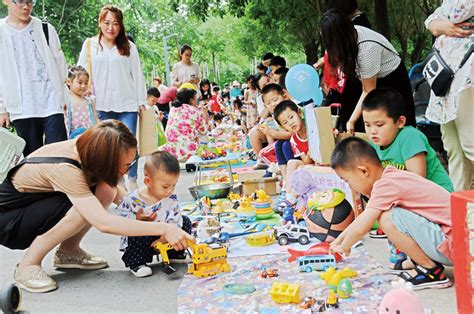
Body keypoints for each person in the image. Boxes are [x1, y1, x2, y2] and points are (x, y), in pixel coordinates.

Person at [0, 120, 193, 293]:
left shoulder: (91, 151)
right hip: (9, 220)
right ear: (106, 160)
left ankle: (69, 252)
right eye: (125, 165)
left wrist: (148, 212)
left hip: (37, 205)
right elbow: (104, 223)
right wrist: (164, 227)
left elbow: (121, 197)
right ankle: (28, 265)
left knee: (106, 189)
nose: (127, 171)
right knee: (87, 205)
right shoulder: (66, 169)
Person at [330, 137, 452, 289]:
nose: (350, 186)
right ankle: (422, 261)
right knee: (390, 214)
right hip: (455, 241)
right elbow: (360, 220)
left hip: (453, 245)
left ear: (363, 171)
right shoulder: (391, 176)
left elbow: (362, 227)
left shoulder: (385, 185)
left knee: (387, 218)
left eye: (347, 180)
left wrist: (344, 246)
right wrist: (337, 241)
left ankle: (430, 270)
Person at [77, 5, 147, 191]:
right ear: (100, 23)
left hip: (127, 103)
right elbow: (80, 71)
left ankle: (132, 179)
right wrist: (78, 95)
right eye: (107, 23)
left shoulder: (129, 47)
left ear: (120, 26)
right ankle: (117, 183)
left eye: (115, 23)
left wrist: (141, 101)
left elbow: (137, 74)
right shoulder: (90, 45)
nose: (111, 28)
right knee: (109, 147)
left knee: (129, 144)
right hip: (101, 103)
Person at [320, 9, 416, 134]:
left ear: (338, 36)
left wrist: (351, 121)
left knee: (396, 126)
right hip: (370, 79)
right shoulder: (348, 35)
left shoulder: (367, 48)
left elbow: (368, 90)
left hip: (391, 81)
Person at [0, 0, 68, 156]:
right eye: (20, 1)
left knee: (59, 157)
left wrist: (63, 98)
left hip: (51, 103)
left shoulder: (45, 28)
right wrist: (2, 109)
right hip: (22, 108)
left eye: (30, 1)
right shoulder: (1, 31)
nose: (26, 6)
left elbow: (60, 66)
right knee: (32, 160)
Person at [424, 0, 474, 191]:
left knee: (471, 144)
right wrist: (439, 25)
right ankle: (460, 210)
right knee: (454, 149)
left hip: (467, 75)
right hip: (448, 79)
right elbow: (432, 21)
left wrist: (440, 23)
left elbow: (456, 13)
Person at [116, 151, 191, 277]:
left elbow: (176, 219)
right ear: (148, 181)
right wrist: (136, 218)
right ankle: (137, 263)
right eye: (165, 186)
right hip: (144, 239)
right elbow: (121, 219)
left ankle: (175, 254)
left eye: (173, 185)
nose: (170, 191)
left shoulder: (171, 198)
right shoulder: (134, 199)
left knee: (186, 221)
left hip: (166, 238)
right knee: (136, 231)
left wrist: (164, 238)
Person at [362, 88, 453, 192]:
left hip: (438, 198)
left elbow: (416, 182)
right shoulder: (374, 145)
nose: (372, 131)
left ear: (400, 122)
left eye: (379, 125)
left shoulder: (410, 137)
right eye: (367, 124)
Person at [273, 100, 314, 208]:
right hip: (311, 165)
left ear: (299, 113)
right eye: (285, 123)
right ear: (283, 128)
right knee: (292, 163)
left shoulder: (314, 127)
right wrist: (310, 154)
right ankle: (288, 197)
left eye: (291, 117)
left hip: (323, 164)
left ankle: (292, 198)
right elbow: (305, 160)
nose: (291, 123)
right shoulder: (294, 140)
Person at [162, 88, 208, 161]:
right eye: (196, 98)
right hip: (187, 151)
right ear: (191, 100)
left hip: (169, 150)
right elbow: (204, 131)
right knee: (205, 137)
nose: (197, 100)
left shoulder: (173, 109)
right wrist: (205, 113)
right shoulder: (197, 111)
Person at [65, 66, 99, 139]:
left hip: (91, 137)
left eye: (86, 83)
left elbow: (96, 120)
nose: (83, 86)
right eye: (80, 83)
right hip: (73, 139)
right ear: (69, 82)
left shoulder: (89, 101)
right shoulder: (67, 101)